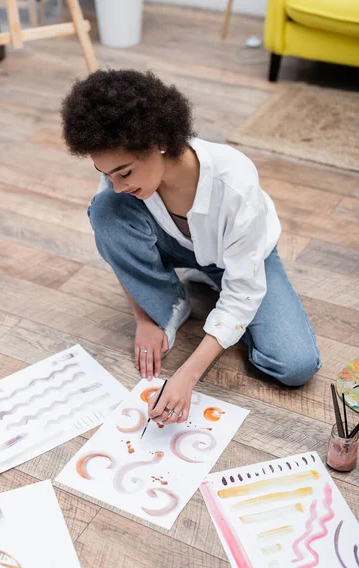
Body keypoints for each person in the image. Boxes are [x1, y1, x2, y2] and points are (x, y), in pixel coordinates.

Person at [61, 68, 321, 427]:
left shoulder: (234, 180)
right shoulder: (122, 179)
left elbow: (244, 289)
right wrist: (144, 318)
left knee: (295, 365)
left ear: (157, 142)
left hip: (240, 260)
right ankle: (173, 300)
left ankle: (215, 291)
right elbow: (115, 246)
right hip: (177, 246)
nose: (117, 184)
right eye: (106, 174)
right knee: (104, 210)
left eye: (124, 173)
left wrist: (186, 375)